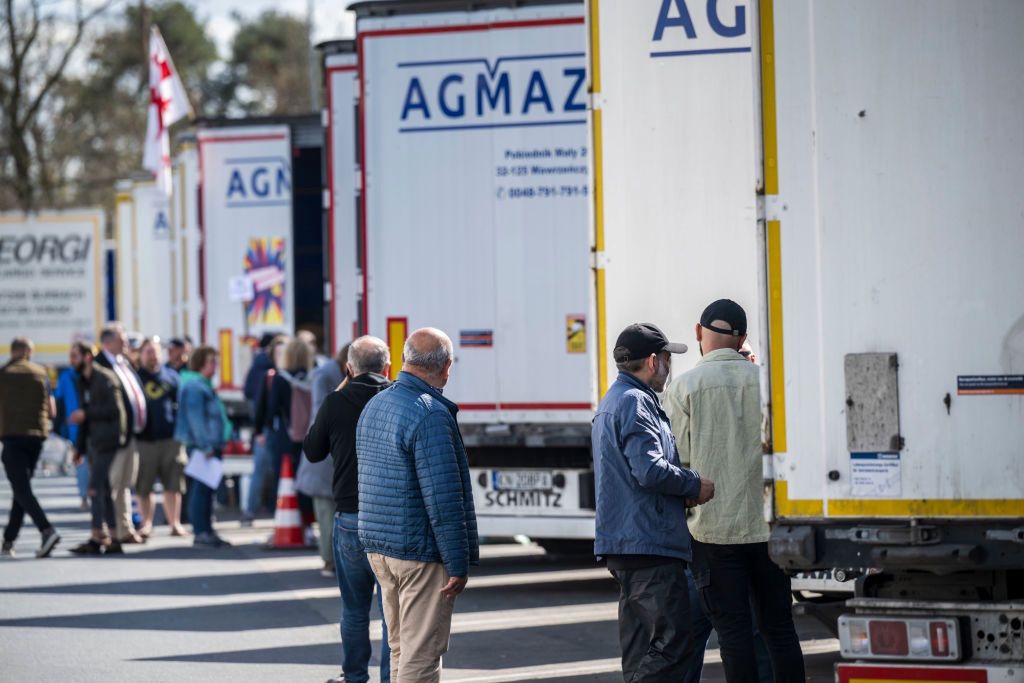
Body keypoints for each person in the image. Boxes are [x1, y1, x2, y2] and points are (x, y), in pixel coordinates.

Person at [664, 300, 805, 682]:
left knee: (734, 634)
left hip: (712, 533)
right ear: (742, 337)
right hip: (769, 529)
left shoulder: (682, 388)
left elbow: (677, 462)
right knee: (779, 629)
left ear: (698, 333)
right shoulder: (768, 382)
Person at [592, 323, 714, 681]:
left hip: (629, 543)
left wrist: (681, 492)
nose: (668, 367)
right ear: (651, 361)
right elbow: (649, 470)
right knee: (676, 643)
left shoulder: (616, 399)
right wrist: (693, 482)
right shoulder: (635, 402)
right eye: (666, 359)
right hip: (649, 546)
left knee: (644, 649)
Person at [357, 328, 477, 682]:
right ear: (446, 367)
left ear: (406, 359)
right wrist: (458, 561)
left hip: (379, 546)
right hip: (418, 551)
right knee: (421, 655)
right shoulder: (431, 414)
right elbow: (444, 498)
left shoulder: (377, 403)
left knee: (400, 648)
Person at [305, 336, 392, 683]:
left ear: (349, 368)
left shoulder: (336, 401)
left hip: (349, 516)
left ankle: (355, 676)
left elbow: (312, 450)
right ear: (388, 368)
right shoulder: (397, 400)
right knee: (392, 611)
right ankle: (391, 677)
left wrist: (341, 388)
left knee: (354, 608)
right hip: (391, 517)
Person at [0, 337, 61, 558]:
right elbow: (51, 409)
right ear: (26, 351)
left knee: (22, 489)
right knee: (21, 489)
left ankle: (46, 530)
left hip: (11, 438)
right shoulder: (41, 373)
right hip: (36, 438)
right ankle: (8, 540)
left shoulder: (3, 373)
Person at [67, 341, 128, 555]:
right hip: (93, 443)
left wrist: (87, 415)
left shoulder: (104, 379)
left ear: (87, 357)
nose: (71, 361)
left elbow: (114, 411)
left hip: (108, 442)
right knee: (101, 489)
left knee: (94, 488)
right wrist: (80, 448)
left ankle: (98, 535)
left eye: (74, 356)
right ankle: (111, 537)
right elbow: (85, 415)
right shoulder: (83, 381)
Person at [297, 343, 351, 576]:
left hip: (332, 456)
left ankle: (335, 559)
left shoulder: (332, 373)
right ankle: (329, 560)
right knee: (327, 513)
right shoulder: (325, 376)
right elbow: (321, 413)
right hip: (325, 457)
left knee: (332, 512)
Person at [94, 324, 147, 544]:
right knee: (112, 484)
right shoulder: (100, 365)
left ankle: (125, 529)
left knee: (126, 484)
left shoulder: (123, 362)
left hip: (132, 434)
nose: (126, 344)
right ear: (108, 342)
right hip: (114, 437)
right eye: (121, 340)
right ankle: (109, 528)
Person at [175, 346, 232, 548]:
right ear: (201, 363)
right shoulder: (195, 387)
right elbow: (195, 420)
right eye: (211, 362)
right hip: (203, 447)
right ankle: (201, 530)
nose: (215, 366)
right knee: (201, 490)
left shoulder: (201, 384)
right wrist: (205, 445)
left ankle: (207, 529)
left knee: (207, 490)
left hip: (209, 445)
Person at [136, 338, 188, 537]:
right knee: (144, 486)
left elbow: (181, 406)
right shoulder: (136, 377)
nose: (153, 355)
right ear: (141, 355)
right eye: (148, 351)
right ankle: (146, 524)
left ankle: (174, 523)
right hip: (145, 440)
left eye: (155, 351)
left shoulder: (172, 376)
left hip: (171, 440)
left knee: (173, 484)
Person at [266, 338, 315, 529]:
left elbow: (272, 411)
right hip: (311, 435)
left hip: (287, 437)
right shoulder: (314, 376)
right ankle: (309, 524)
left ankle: (290, 522)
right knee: (307, 480)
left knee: (287, 480)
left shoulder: (281, 379)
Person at [245, 335, 289, 523]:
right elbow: (260, 404)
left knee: (280, 474)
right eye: (278, 352)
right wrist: (259, 431)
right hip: (269, 431)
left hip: (285, 433)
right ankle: (250, 511)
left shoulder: (291, 376)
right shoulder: (269, 376)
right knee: (262, 471)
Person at [54, 364, 89, 510]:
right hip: (75, 427)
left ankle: (89, 496)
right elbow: (59, 401)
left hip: (91, 426)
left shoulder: (92, 373)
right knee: (82, 464)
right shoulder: (66, 376)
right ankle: (84, 496)